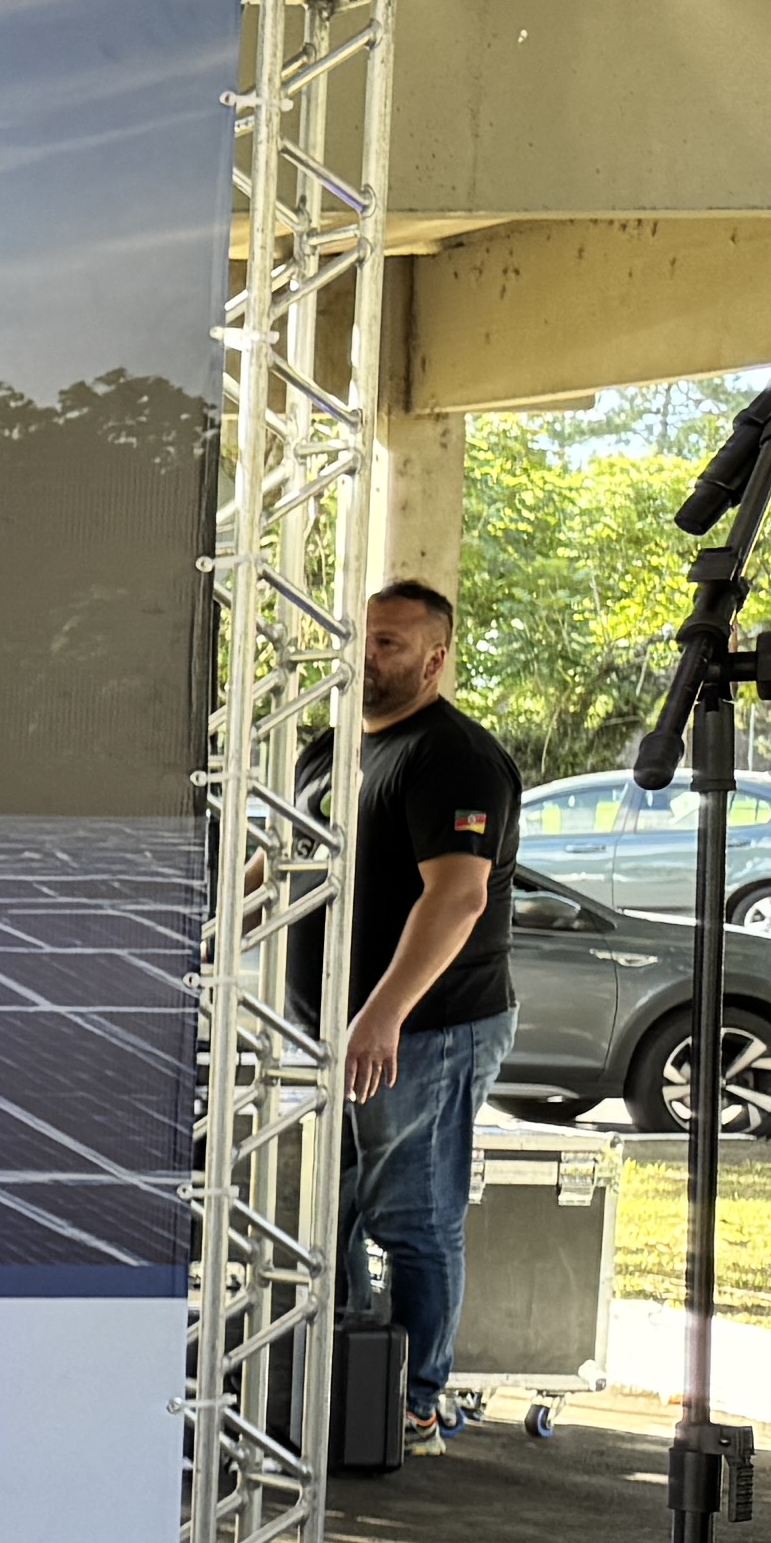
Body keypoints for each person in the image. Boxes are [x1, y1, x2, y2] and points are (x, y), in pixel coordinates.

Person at [332, 577, 521, 1439]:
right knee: (327, 1207)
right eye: (363, 637)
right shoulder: (331, 744)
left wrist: (384, 1014)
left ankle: (411, 1402)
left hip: (427, 1030)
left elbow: (458, 898)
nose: (368, 657)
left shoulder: (454, 759)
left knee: (412, 1216)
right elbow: (290, 855)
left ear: (434, 659)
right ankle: (339, 1377)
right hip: (334, 1028)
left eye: (390, 644)